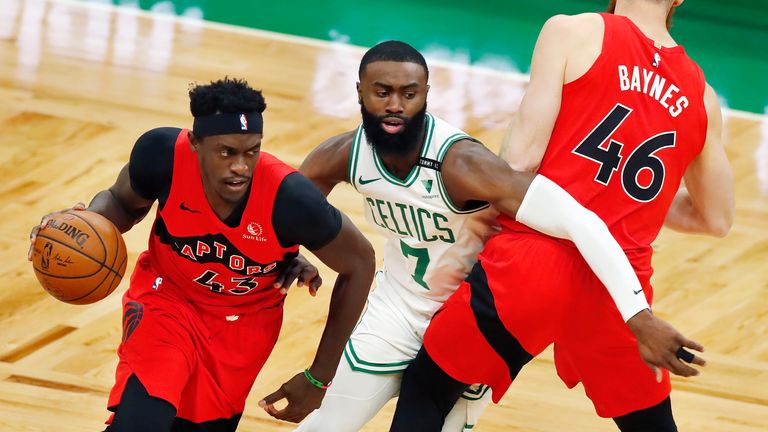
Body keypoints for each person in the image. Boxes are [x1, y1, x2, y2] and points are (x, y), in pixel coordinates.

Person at [282, 40, 705, 432]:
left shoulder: (463, 163)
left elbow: (582, 222)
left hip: (471, 318)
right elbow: (285, 207)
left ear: (427, 93)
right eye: (382, 92)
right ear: (359, 91)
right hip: (396, 309)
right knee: (329, 425)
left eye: (408, 94)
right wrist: (289, 253)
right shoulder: (344, 154)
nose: (395, 105)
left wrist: (639, 316)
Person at [390, 1, 734, 431]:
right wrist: (626, 203)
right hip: (619, 289)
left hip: (531, 266)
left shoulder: (571, 32)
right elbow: (715, 219)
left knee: (427, 389)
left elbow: (519, 161)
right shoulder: (702, 95)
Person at [28, 77, 376, 431]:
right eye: (226, 152)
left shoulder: (291, 199)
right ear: (195, 143)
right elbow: (121, 201)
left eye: (251, 151)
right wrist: (83, 223)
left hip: (242, 327)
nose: (241, 166)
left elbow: (360, 263)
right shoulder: (162, 153)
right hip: (167, 300)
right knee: (139, 423)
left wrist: (319, 378)